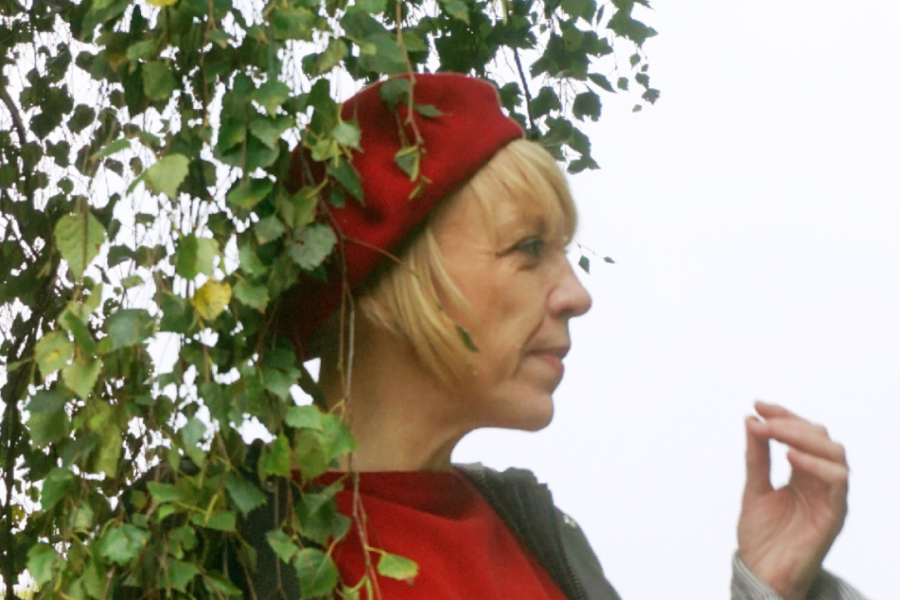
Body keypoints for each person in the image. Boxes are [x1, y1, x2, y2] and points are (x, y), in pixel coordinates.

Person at [253, 73, 867, 600]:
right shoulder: (221, 545)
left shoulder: (536, 533)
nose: (577, 294)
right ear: (387, 278)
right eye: (529, 248)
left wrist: (771, 587)